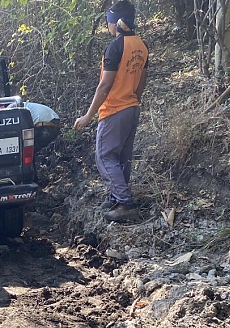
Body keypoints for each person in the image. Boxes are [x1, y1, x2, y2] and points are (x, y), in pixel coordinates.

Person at [73, 0, 148, 223]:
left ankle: (125, 203)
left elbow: (104, 86)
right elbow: (142, 80)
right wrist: (134, 100)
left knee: (105, 156)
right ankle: (117, 198)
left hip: (115, 109)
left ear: (114, 23)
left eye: (108, 23)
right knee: (122, 157)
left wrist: (88, 116)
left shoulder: (115, 47)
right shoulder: (141, 45)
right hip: (132, 107)